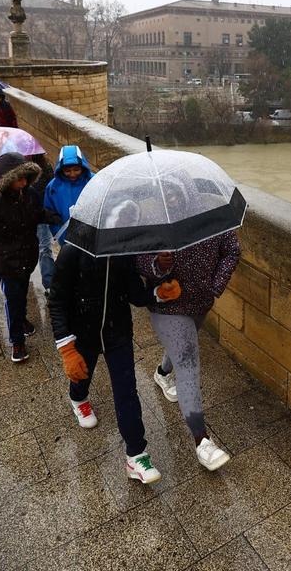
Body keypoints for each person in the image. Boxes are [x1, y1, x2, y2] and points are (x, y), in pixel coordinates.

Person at [48, 200, 180, 484]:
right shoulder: (73, 251)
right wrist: (67, 348)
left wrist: (158, 292)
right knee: (83, 374)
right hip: (83, 331)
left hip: (118, 332)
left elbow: (135, 295)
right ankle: (78, 398)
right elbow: (56, 300)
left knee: (126, 390)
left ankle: (136, 455)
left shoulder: (124, 253)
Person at [138, 185, 241, 471]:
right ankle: (202, 440)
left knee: (184, 344)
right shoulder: (153, 222)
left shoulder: (212, 218)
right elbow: (137, 261)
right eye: (166, 192)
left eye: (177, 191)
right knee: (187, 361)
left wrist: (215, 286)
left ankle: (161, 373)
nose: (172, 197)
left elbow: (232, 251)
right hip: (168, 306)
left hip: (201, 301)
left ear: (190, 192)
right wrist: (158, 264)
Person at [0, 152, 60, 362]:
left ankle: (22, 320)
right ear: (7, 179)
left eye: (26, 178)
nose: (23, 182)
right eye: (19, 179)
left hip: (26, 256)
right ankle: (17, 341)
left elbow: (37, 214)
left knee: (22, 293)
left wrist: (53, 217)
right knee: (13, 298)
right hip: (5, 262)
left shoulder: (30, 194)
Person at [39, 146, 93, 292]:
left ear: (83, 167)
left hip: (90, 237)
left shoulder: (93, 181)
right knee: (72, 270)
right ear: (60, 169)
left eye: (76, 169)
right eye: (67, 171)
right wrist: (60, 234)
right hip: (67, 238)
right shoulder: (53, 187)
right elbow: (50, 214)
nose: (72, 174)